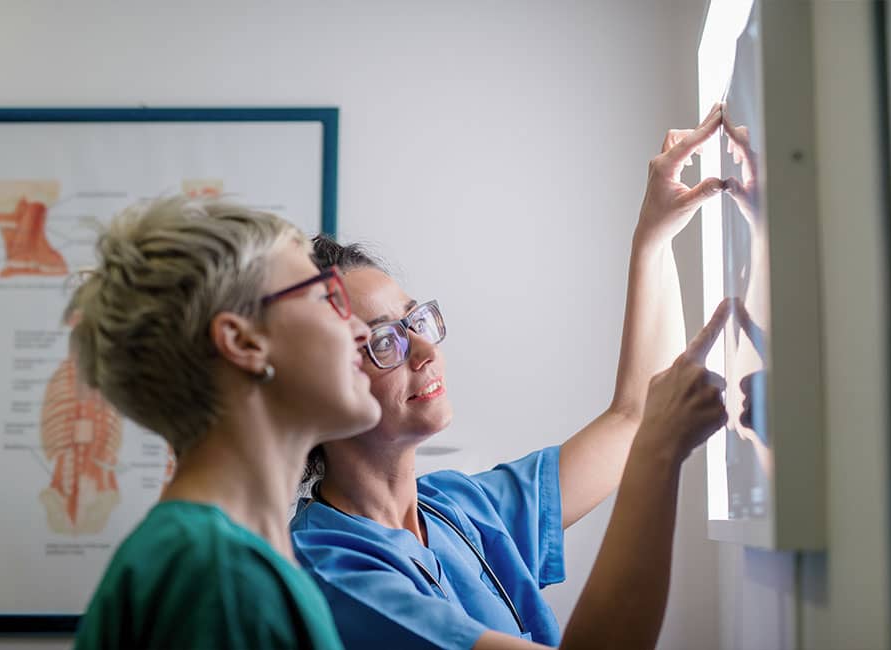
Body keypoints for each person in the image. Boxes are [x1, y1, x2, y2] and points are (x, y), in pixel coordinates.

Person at [290, 105, 732, 649]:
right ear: (317, 389)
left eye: (416, 321)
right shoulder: (333, 576)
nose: (426, 351)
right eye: (385, 340)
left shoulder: (456, 509)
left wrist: (654, 238)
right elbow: (647, 434)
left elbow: (633, 418)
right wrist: (660, 454)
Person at [70, 196, 380, 649]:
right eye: (326, 296)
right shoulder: (219, 572)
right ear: (242, 341)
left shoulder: (219, 556)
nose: (362, 330)